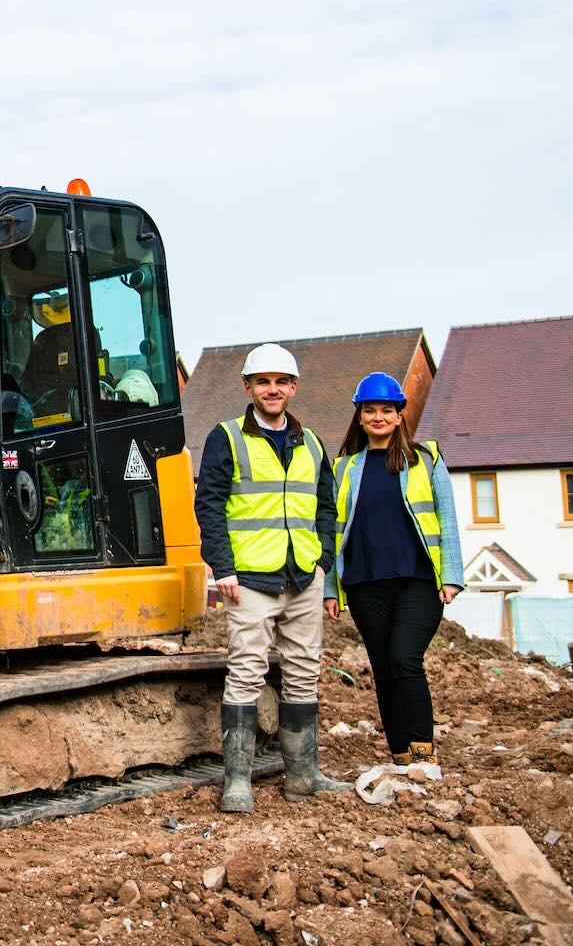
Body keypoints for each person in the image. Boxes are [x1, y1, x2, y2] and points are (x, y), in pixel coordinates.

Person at [195, 343, 347, 812]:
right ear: (248, 388)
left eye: (281, 382)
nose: (272, 389)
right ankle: (237, 782)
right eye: (263, 382)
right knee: (246, 672)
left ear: (293, 388)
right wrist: (223, 567)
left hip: (302, 576)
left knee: (304, 672)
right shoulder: (227, 437)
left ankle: (303, 775)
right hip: (250, 579)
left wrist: (323, 560)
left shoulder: (313, 442)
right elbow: (209, 505)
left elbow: (326, 505)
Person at [324, 372, 465, 767]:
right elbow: (333, 531)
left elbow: (447, 518)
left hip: (417, 581)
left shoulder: (425, 459)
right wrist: (331, 589)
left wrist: (451, 575)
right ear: (359, 417)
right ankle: (400, 753)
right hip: (364, 584)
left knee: (404, 658)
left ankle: (423, 748)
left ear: (400, 415)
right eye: (370, 410)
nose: (379, 417)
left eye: (387, 410)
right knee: (384, 668)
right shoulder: (344, 468)